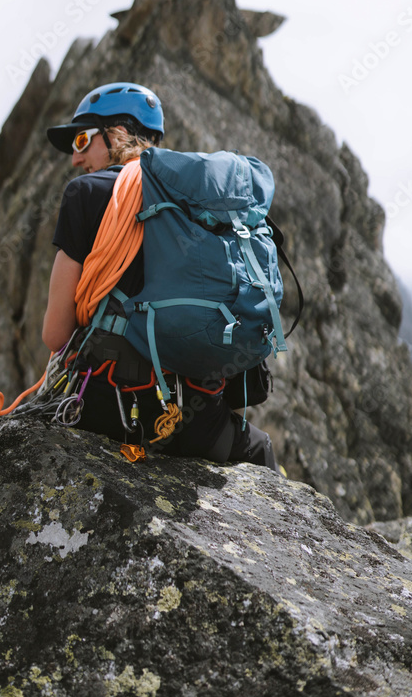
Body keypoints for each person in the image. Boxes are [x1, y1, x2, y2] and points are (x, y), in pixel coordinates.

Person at [43, 82, 279, 471]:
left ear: (117, 133)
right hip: (198, 423)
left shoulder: (84, 193)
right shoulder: (197, 205)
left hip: (108, 410)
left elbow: (55, 335)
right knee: (260, 449)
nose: (75, 158)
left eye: (82, 140)